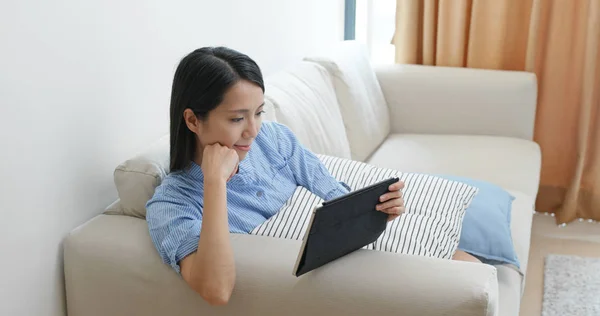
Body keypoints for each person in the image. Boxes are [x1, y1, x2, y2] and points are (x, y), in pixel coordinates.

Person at [146, 47, 480, 306]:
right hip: (323, 286)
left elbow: (334, 193)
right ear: (192, 121)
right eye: (237, 119)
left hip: (348, 252)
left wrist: (374, 211)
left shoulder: (273, 139)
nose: (253, 131)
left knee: (472, 270)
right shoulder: (172, 203)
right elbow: (216, 290)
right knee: (459, 286)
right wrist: (215, 183)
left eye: (258, 113)